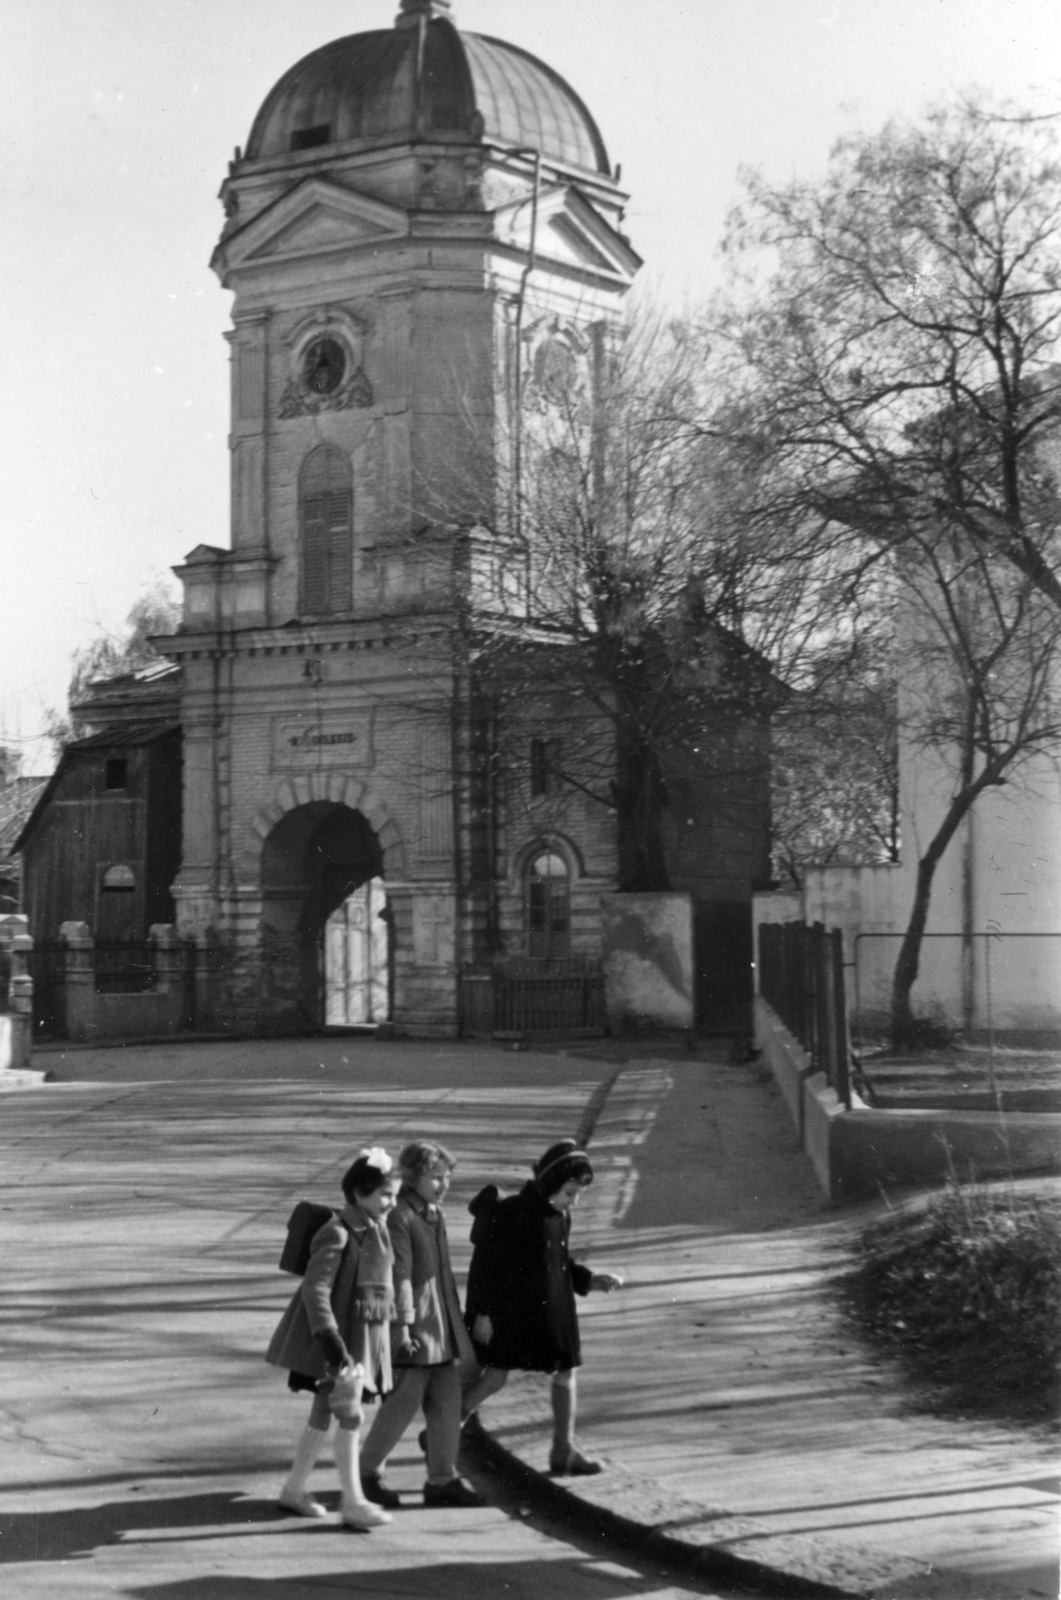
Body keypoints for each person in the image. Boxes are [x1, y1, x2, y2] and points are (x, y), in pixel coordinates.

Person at [462, 1137, 623, 1475]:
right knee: (495, 1378)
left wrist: (589, 1279)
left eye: (578, 1195)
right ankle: (444, 1428)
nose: (573, 1202)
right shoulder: (511, 1214)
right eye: (568, 1193)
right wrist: (482, 1313)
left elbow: (560, 1261)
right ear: (549, 1183)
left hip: (553, 1312)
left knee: (567, 1371)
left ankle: (563, 1450)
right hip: (511, 1313)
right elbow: (484, 1267)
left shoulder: (559, 1216)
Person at [265, 1147, 400, 1531]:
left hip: (361, 1340)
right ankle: (353, 1501)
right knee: (348, 1414)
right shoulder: (339, 1232)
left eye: (393, 1195)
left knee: (326, 1412)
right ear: (359, 1193)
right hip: (339, 1344)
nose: (391, 1202)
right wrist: (334, 1347)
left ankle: (294, 1489)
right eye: (385, 1195)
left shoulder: (375, 1229)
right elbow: (315, 1291)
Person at [358, 1140, 485, 1509]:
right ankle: (365, 1474)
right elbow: (400, 1276)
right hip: (414, 1330)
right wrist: (403, 1328)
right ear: (413, 1177)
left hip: (439, 1328)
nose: (444, 1185)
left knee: (448, 1401)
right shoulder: (401, 1215)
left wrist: (455, 1329)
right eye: (436, 1177)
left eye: (447, 1178)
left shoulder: (433, 1214)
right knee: (405, 1399)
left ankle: (441, 1480)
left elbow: (442, 1277)